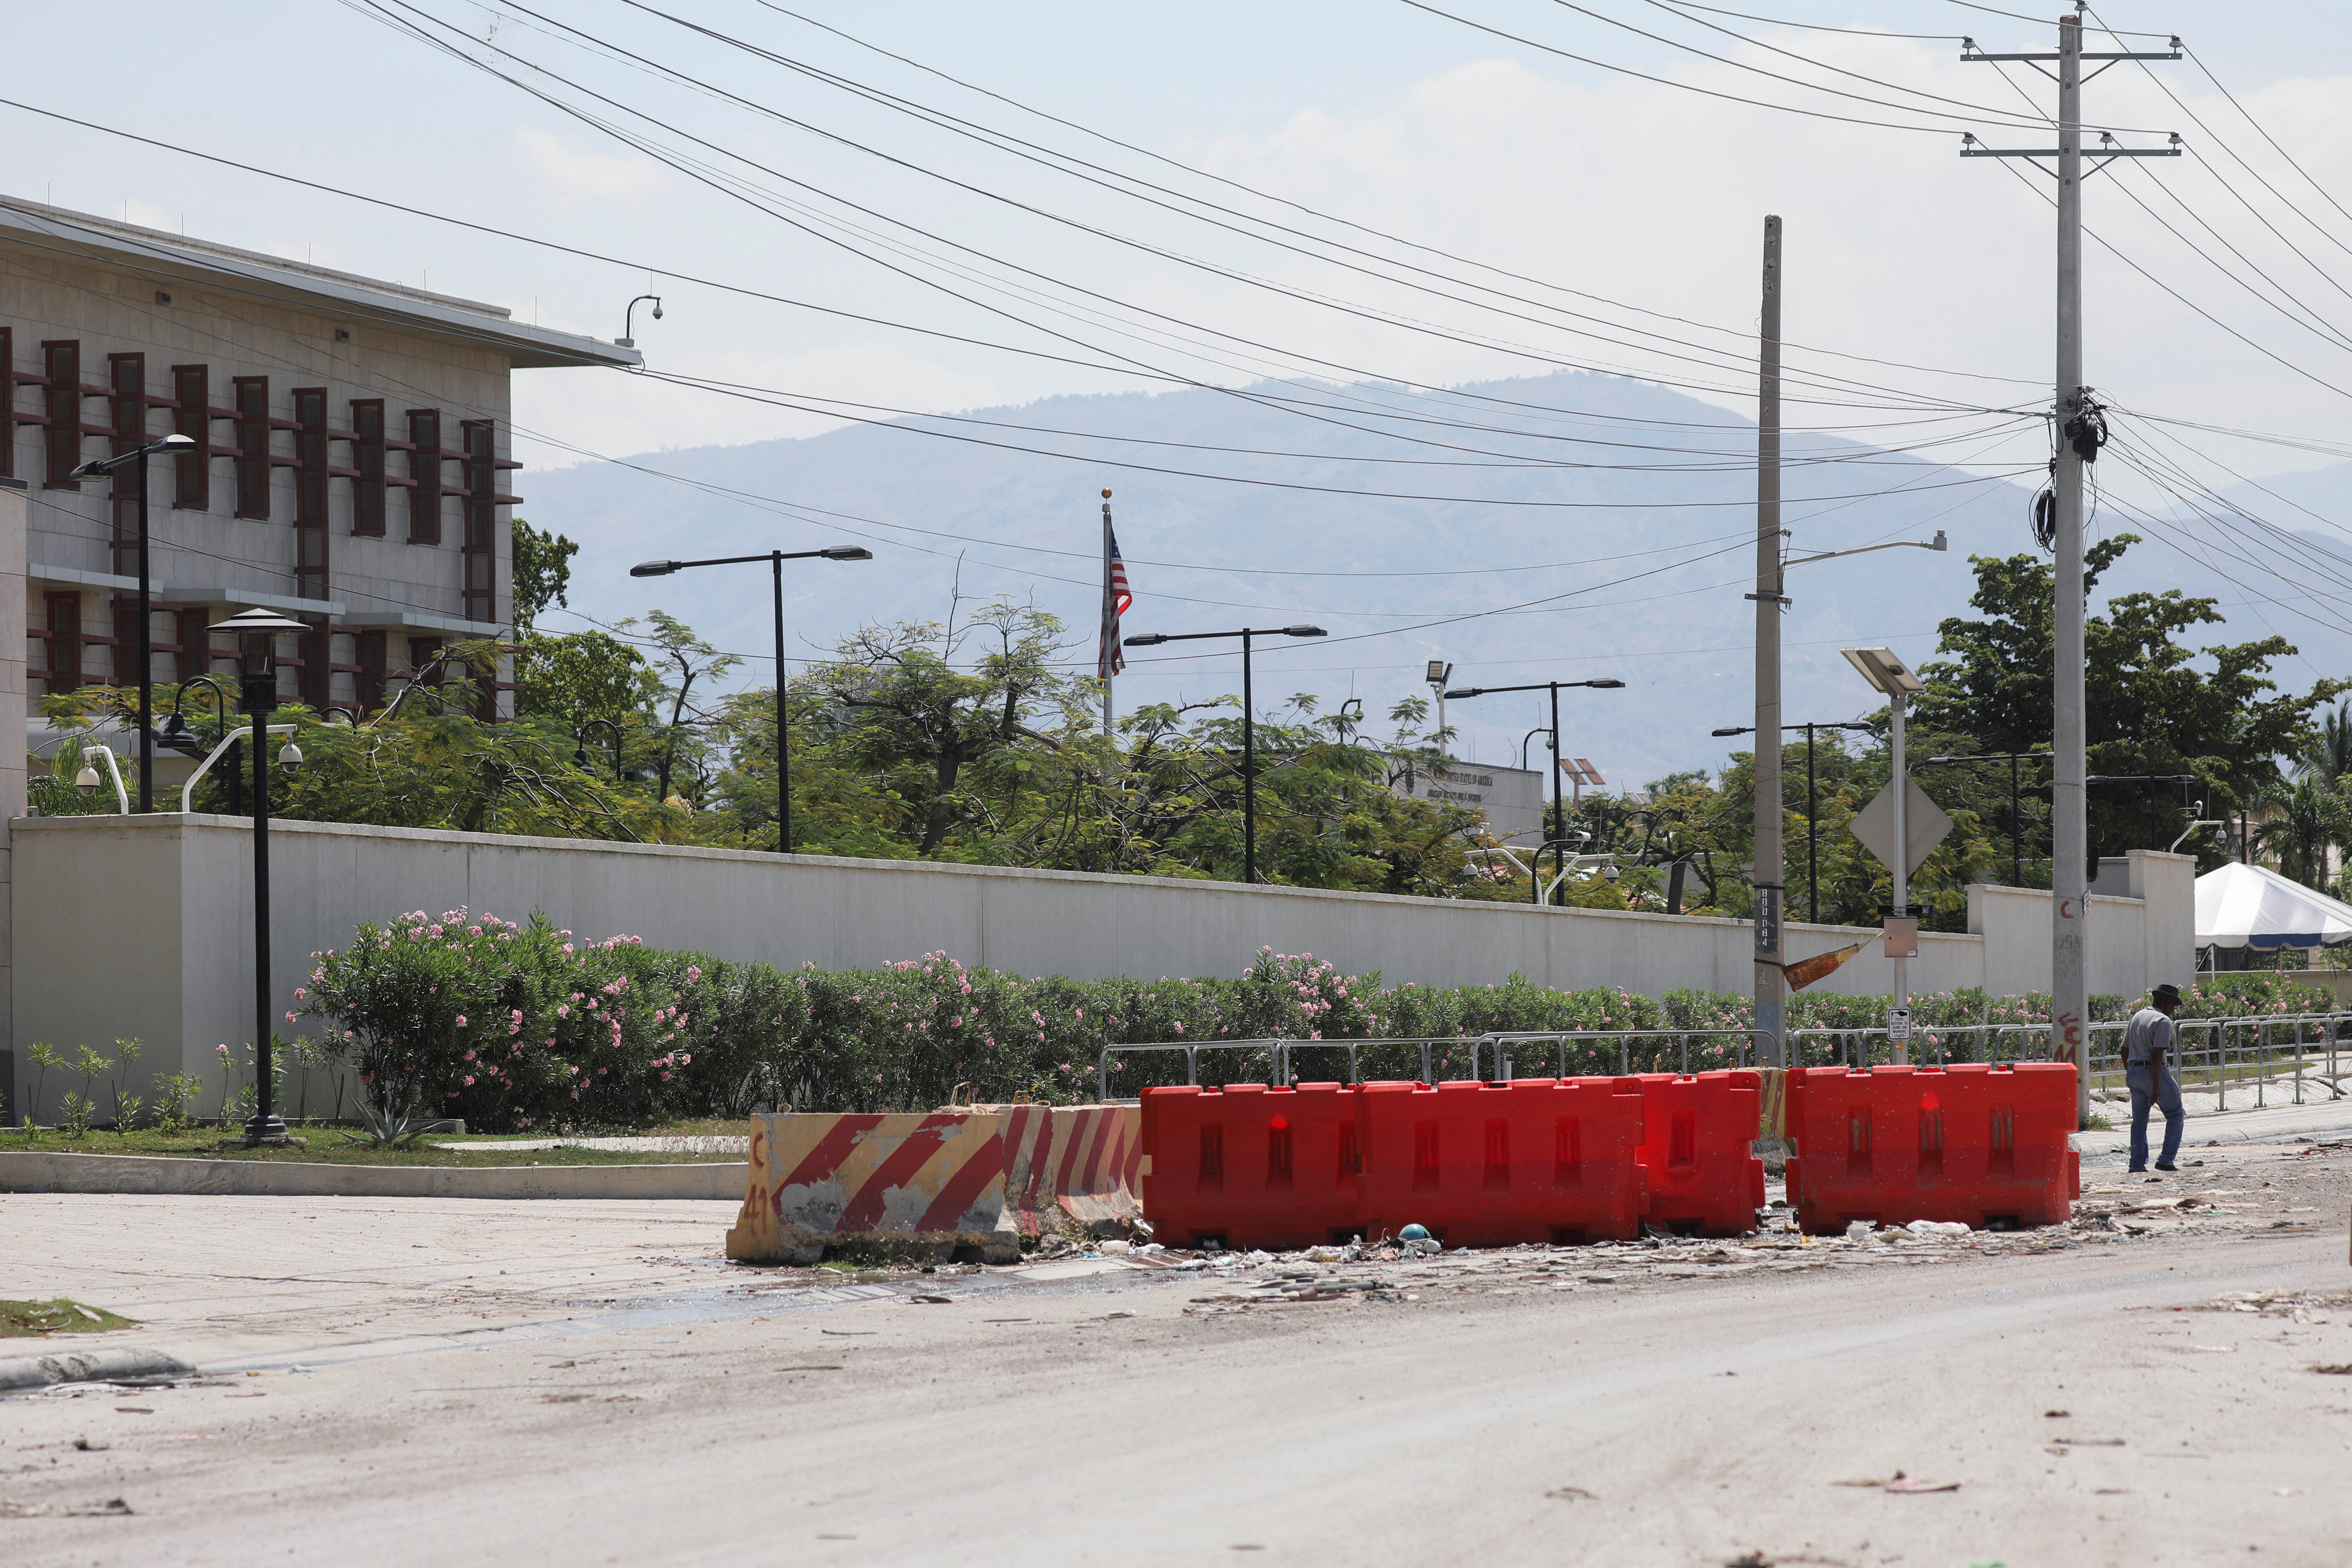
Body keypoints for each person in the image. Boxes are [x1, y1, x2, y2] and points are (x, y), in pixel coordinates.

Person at [2122, 982, 2186, 1174]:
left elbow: (2124, 1051)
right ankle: (2166, 1160)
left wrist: (2132, 1072)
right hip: (2152, 1072)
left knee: (2140, 1122)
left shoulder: (2138, 1016)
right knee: (2176, 1113)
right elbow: (2158, 1054)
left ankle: (2137, 1164)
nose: (2173, 1010)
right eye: (2174, 1006)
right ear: (2167, 1002)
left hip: (2133, 1072)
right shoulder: (2163, 1021)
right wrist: (2155, 1087)